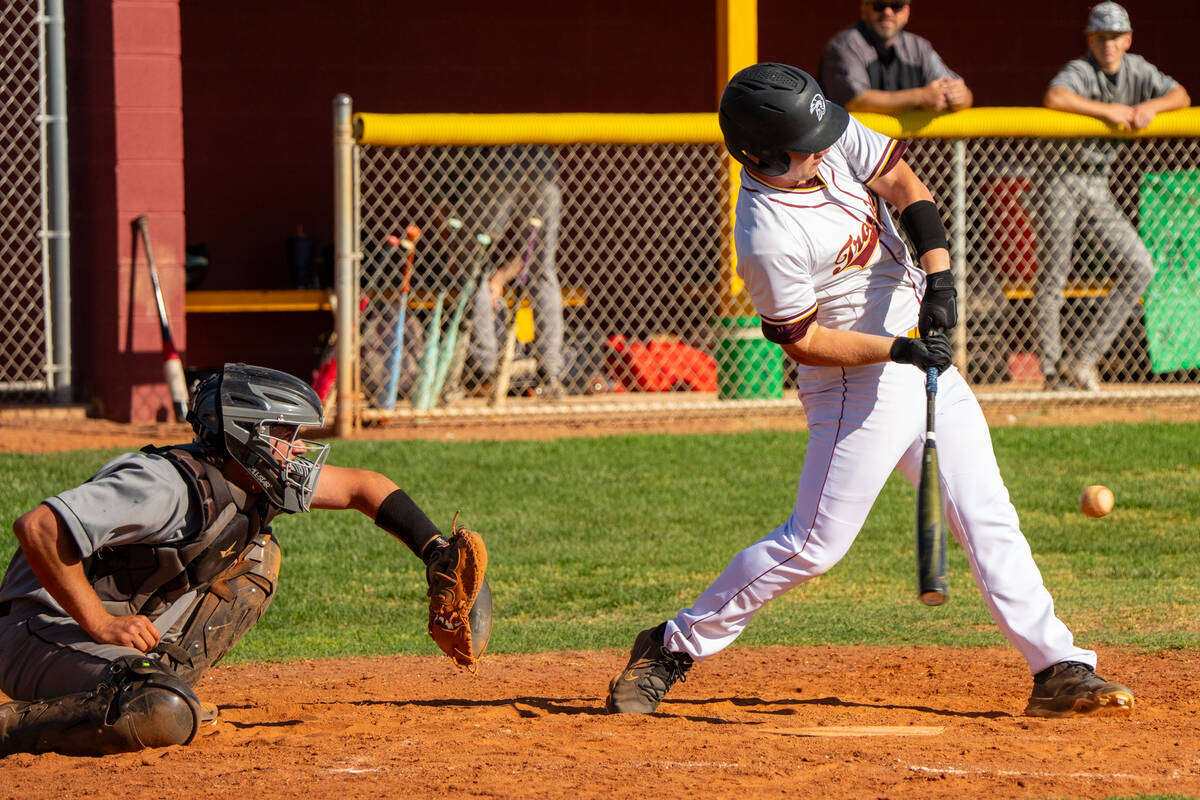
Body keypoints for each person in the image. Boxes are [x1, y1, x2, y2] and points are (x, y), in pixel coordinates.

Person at [606, 62, 1134, 720]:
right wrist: (899, 349)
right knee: (814, 545)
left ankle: (1057, 665)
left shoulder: (813, 131)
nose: (826, 145)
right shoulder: (767, 233)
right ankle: (669, 646)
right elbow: (801, 339)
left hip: (917, 352)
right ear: (768, 153)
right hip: (854, 379)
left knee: (986, 513)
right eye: (808, 142)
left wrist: (939, 275)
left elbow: (898, 179)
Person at [0, 363, 491, 756]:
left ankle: (155, 685)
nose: (298, 450)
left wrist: (434, 552)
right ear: (244, 435)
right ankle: (17, 727)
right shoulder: (165, 486)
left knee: (255, 555)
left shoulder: (257, 478)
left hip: (88, 636)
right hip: (35, 633)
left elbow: (366, 487)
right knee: (159, 711)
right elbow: (38, 528)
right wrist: (101, 623)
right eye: (286, 435)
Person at [1033, 1, 1189, 391]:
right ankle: (1052, 374)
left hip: (1097, 183)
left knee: (1141, 267)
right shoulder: (1081, 69)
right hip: (1059, 178)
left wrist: (1150, 106)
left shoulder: (1137, 69)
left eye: (1116, 37)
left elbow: (1181, 96)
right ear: (1090, 39)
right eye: (1101, 37)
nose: (1109, 44)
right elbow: (1056, 97)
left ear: (1128, 39)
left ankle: (1083, 358)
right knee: (1054, 275)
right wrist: (1108, 111)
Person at [461, 145, 566, 401]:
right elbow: (530, 258)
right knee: (543, 271)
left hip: (500, 156)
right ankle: (549, 375)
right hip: (542, 160)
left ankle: (484, 371)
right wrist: (498, 278)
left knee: (473, 266)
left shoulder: (456, 155)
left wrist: (496, 278)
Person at [818, 0, 972, 113]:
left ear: (906, 13)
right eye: (879, 5)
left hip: (903, 150)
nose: (887, 12)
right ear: (864, 9)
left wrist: (961, 96)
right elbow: (856, 101)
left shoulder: (919, 47)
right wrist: (920, 96)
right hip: (849, 150)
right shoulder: (845, 44)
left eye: (896, 6)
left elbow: (963, 94)